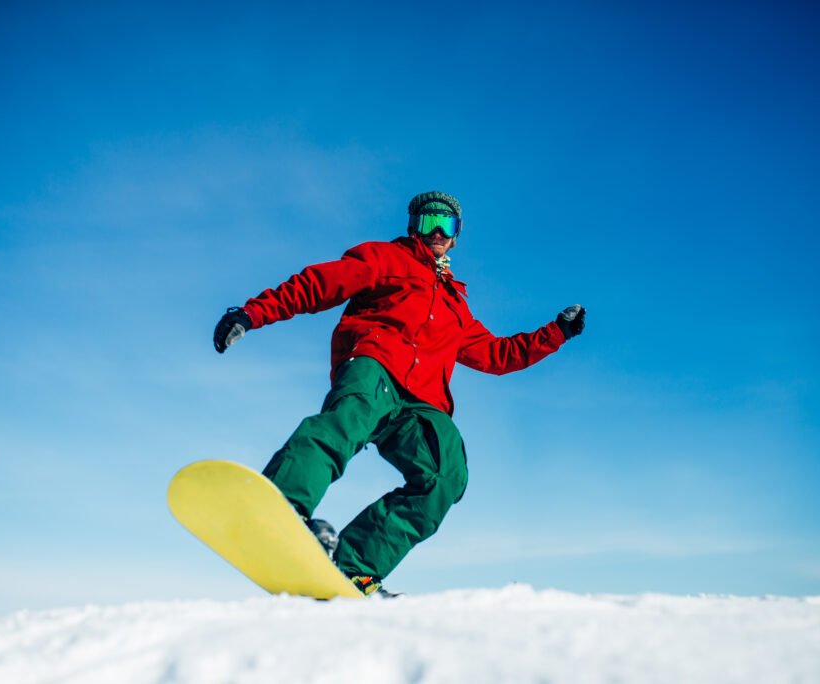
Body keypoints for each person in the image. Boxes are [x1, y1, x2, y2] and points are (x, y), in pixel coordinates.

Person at [213, 191, 585, 596]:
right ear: (413, 226)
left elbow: (498, 354)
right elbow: (319, 284)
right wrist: (252, 313)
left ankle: (355, 567)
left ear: (457, 237)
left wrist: (557, 332)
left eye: (449, 225)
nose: (439, 232)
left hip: (421, 403)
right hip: (377, 366)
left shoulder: (456, 307)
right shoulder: (385, 259)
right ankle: (282, 506)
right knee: (346, 422)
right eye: (430, 222)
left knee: (446, 475)